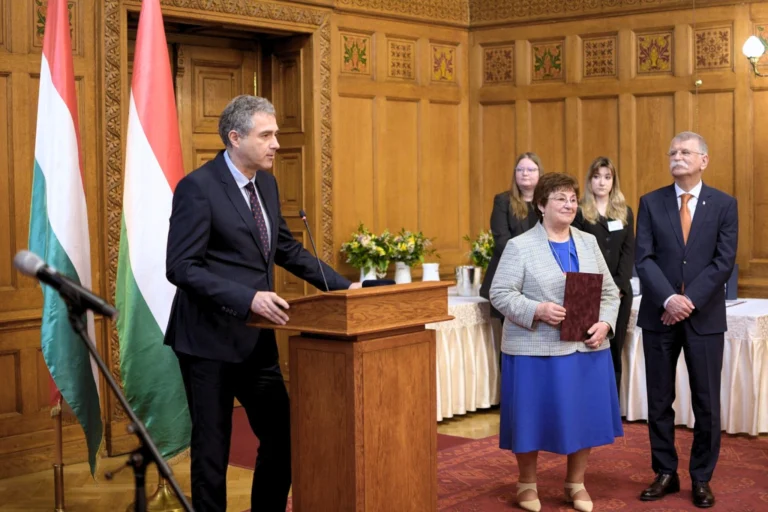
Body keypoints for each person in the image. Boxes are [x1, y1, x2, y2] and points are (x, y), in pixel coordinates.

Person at [165, 95, 361, 512]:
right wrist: (247, 297)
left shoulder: (266, 184)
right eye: (267, 135)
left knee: (284, 439)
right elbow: (181, 267)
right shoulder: (198, 188)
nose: (276, 144)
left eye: (276, 134)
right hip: (207, 343)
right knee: (212, 451)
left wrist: (346, 289)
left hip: (256, 342)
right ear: (235, 138)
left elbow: (287, 250)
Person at [490, 172, 622, 512]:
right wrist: (537, 309)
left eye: (573, 198)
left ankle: (575, 484)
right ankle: (526, 485)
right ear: (541, 205)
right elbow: (500, 293)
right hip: (536, 349)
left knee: (583, 417)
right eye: (560, 198)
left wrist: (606, 323)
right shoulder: (520, 246)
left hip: (586, 347)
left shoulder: (588, 242)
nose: (569, 204)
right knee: (532, 418)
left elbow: (609, 292)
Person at [635, 131, 737, 508]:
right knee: (659, 399)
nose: (677, 157)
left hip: (704, 317)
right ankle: (664, 472)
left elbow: (723, 262)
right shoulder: (651, 202)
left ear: (703, 160)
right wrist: (668, 298)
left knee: (706, 401)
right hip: (658, 315)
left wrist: (687, 300)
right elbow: (643, 258)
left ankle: (701, 477)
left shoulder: (725, 205)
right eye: (672, 152)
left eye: (685, 152)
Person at [572, 156, 634, 394]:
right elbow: (577, 250)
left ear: (613, 181)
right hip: (587, 290)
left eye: (607, 177)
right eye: (597, 177)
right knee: (588, 345)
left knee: (613, 347)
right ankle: (586, 399)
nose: (602, 182)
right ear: (589, 181)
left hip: (618, 292)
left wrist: (617, 287)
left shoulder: (624, 212)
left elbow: (629, 252)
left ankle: (611, 403)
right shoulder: (579, 212)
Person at [480, 152, 542, 320]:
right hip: (509, 276)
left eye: (530, 169)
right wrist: (527, 263)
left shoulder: (547, 203)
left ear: (540, 173)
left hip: (540, 279)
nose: (525, 173)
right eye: (520, 169)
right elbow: (501, 241)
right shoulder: (503, 201)